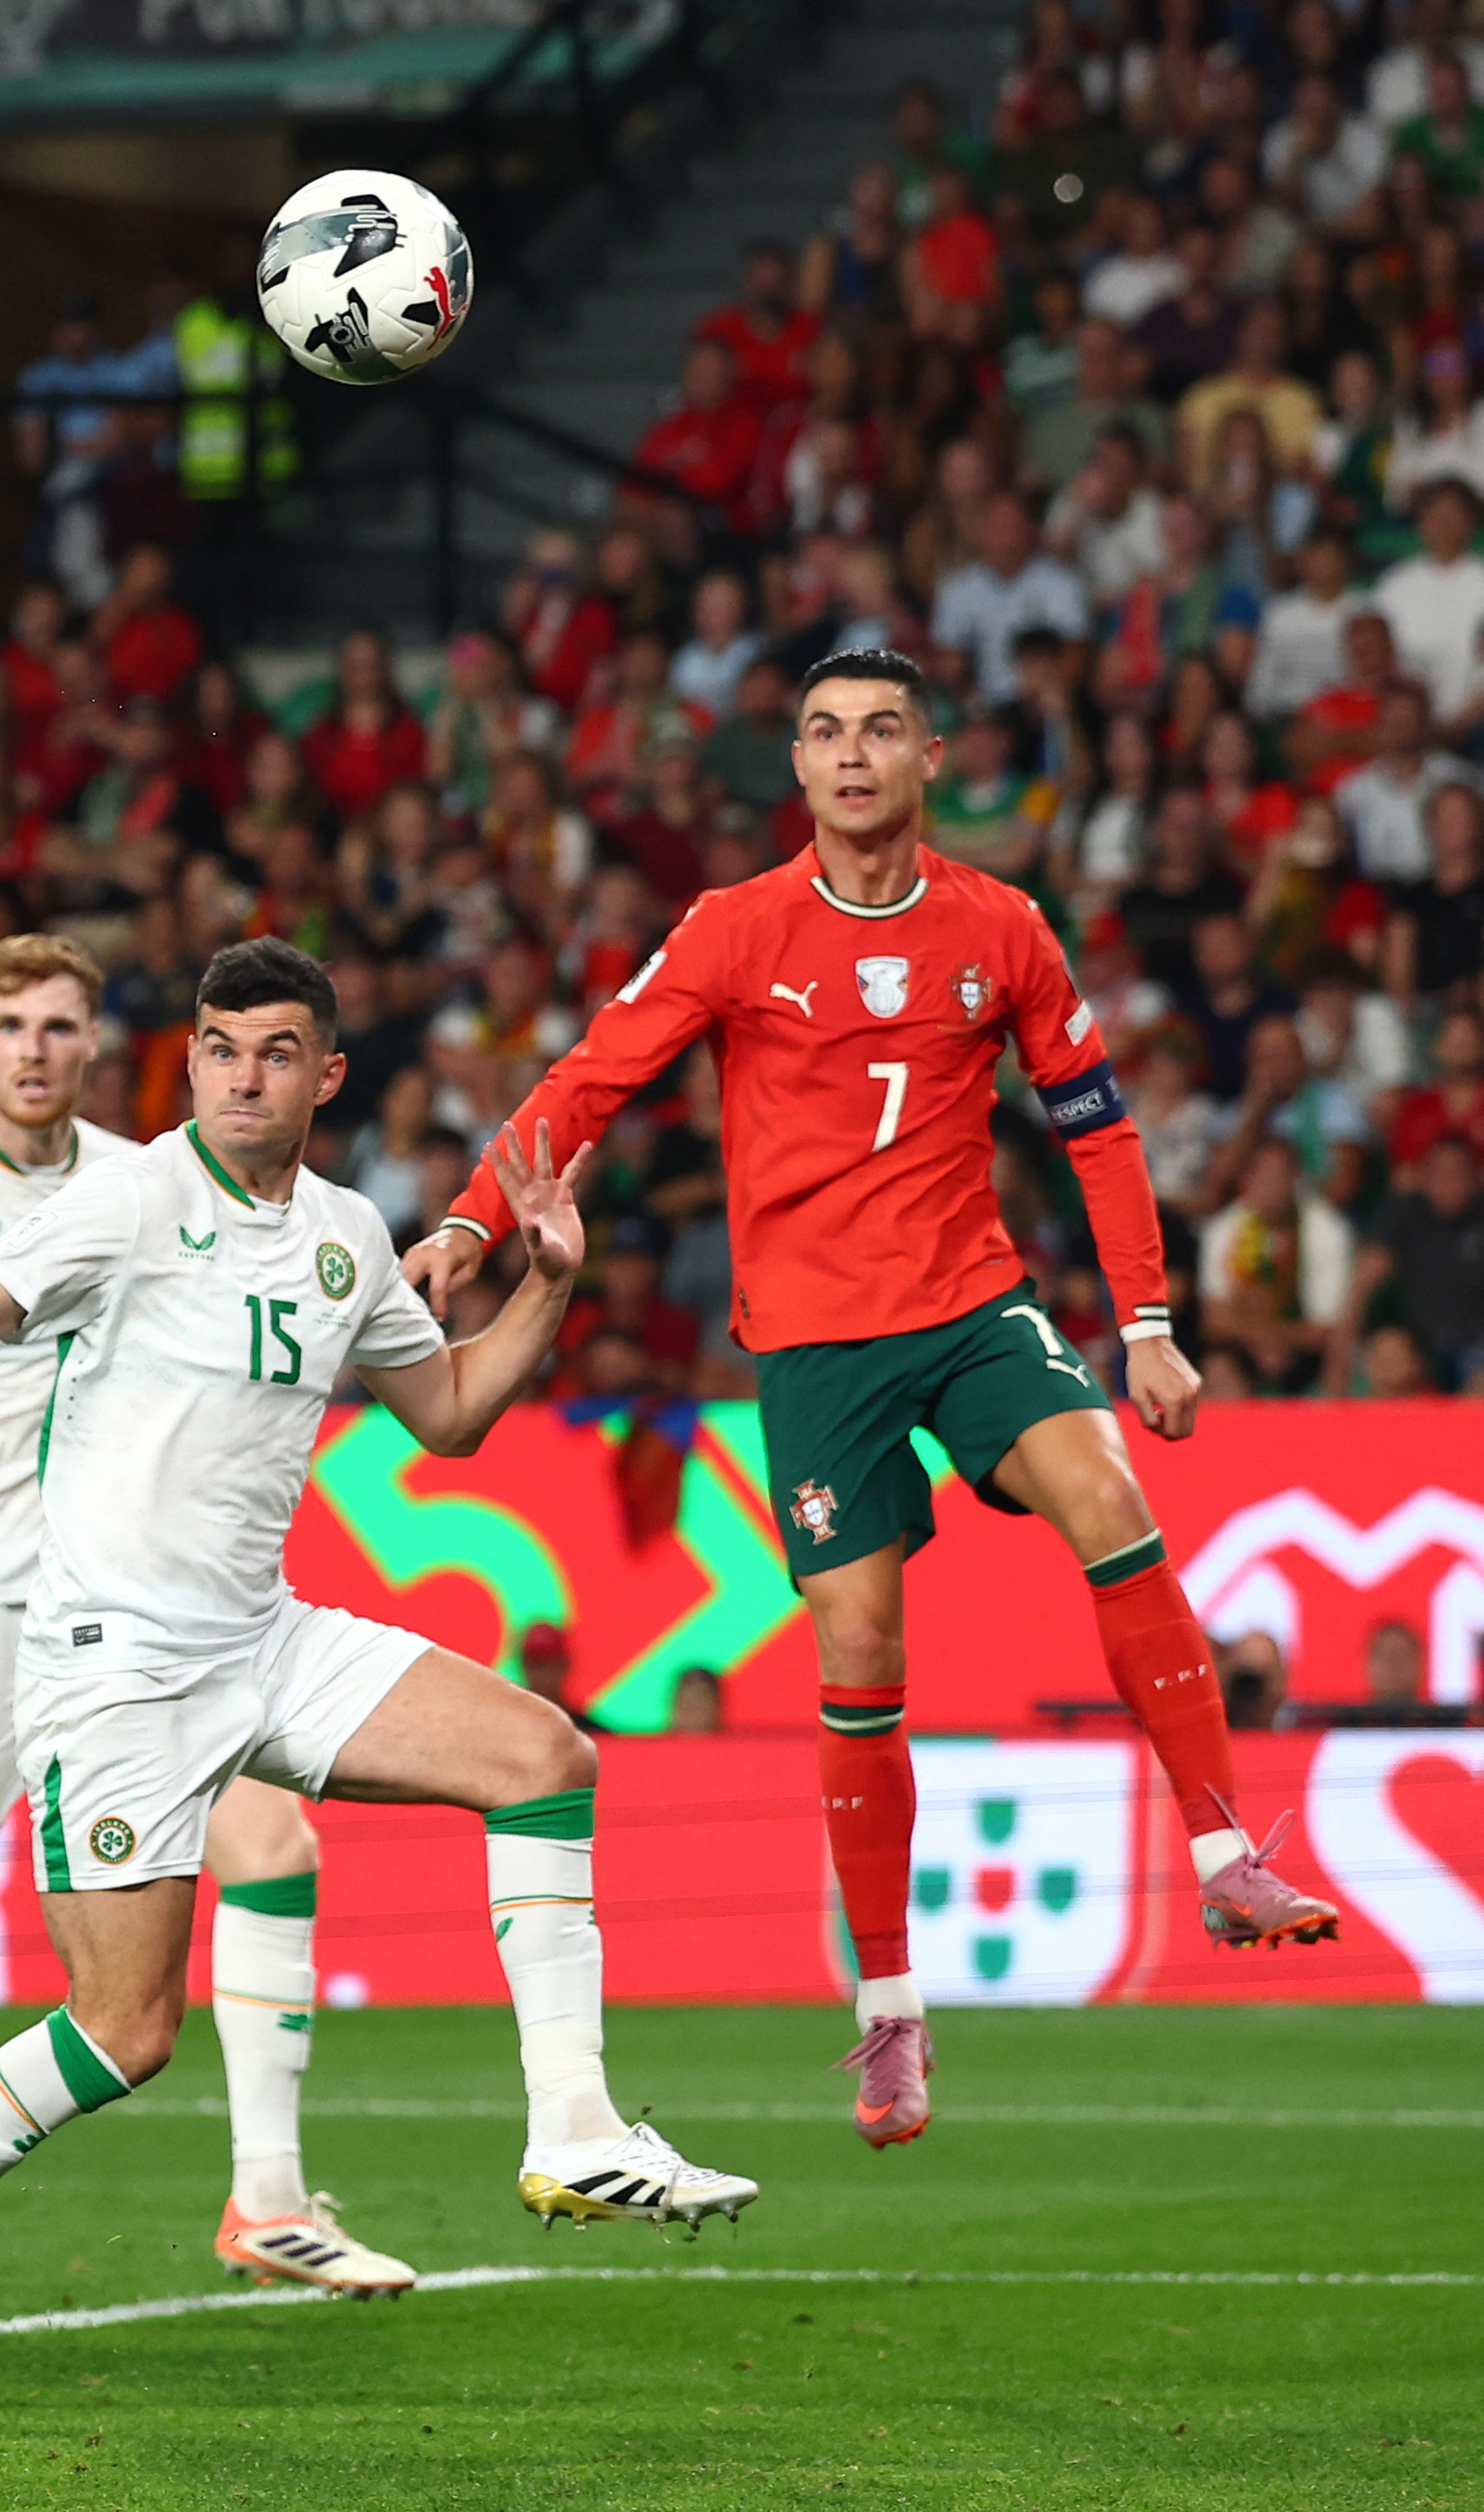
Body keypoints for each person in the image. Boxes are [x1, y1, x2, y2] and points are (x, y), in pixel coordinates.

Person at [0, 940, 756, 2419]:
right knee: (125, 2029)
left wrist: (548, 1286)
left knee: (545, 1755)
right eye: (220, 1048)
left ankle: (573, 2121)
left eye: (275, 1050)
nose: (243, 1075)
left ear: (327, 1074)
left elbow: (446, 1413)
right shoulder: (126, 1197)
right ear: (190, 1062)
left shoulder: (346, 1234)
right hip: (113, 1670)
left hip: (265, 1637)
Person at [407, 648, 1342, 2157]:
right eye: (826, 731)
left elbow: (1097, 1127)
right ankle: (893, 2006)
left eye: (882, 729)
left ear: (929, 759)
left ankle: (1224, 1850)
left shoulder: (1002, 925)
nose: (852, 754)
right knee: (859, 1649)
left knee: (1110, 1496)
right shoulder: (735, 927)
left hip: (973, 1304)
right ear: (796, 765)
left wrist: (1150, 1325)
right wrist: (468, 1220)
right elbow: (591, 1077)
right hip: (815, 1343)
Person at [0, 932, 407, 2299]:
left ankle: (268, 2197)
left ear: (96, 1046)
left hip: (122, 1610)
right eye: (11, 1024)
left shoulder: (151, 1179)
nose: (35, 1050)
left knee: (275, 1842)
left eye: (61, 1026)